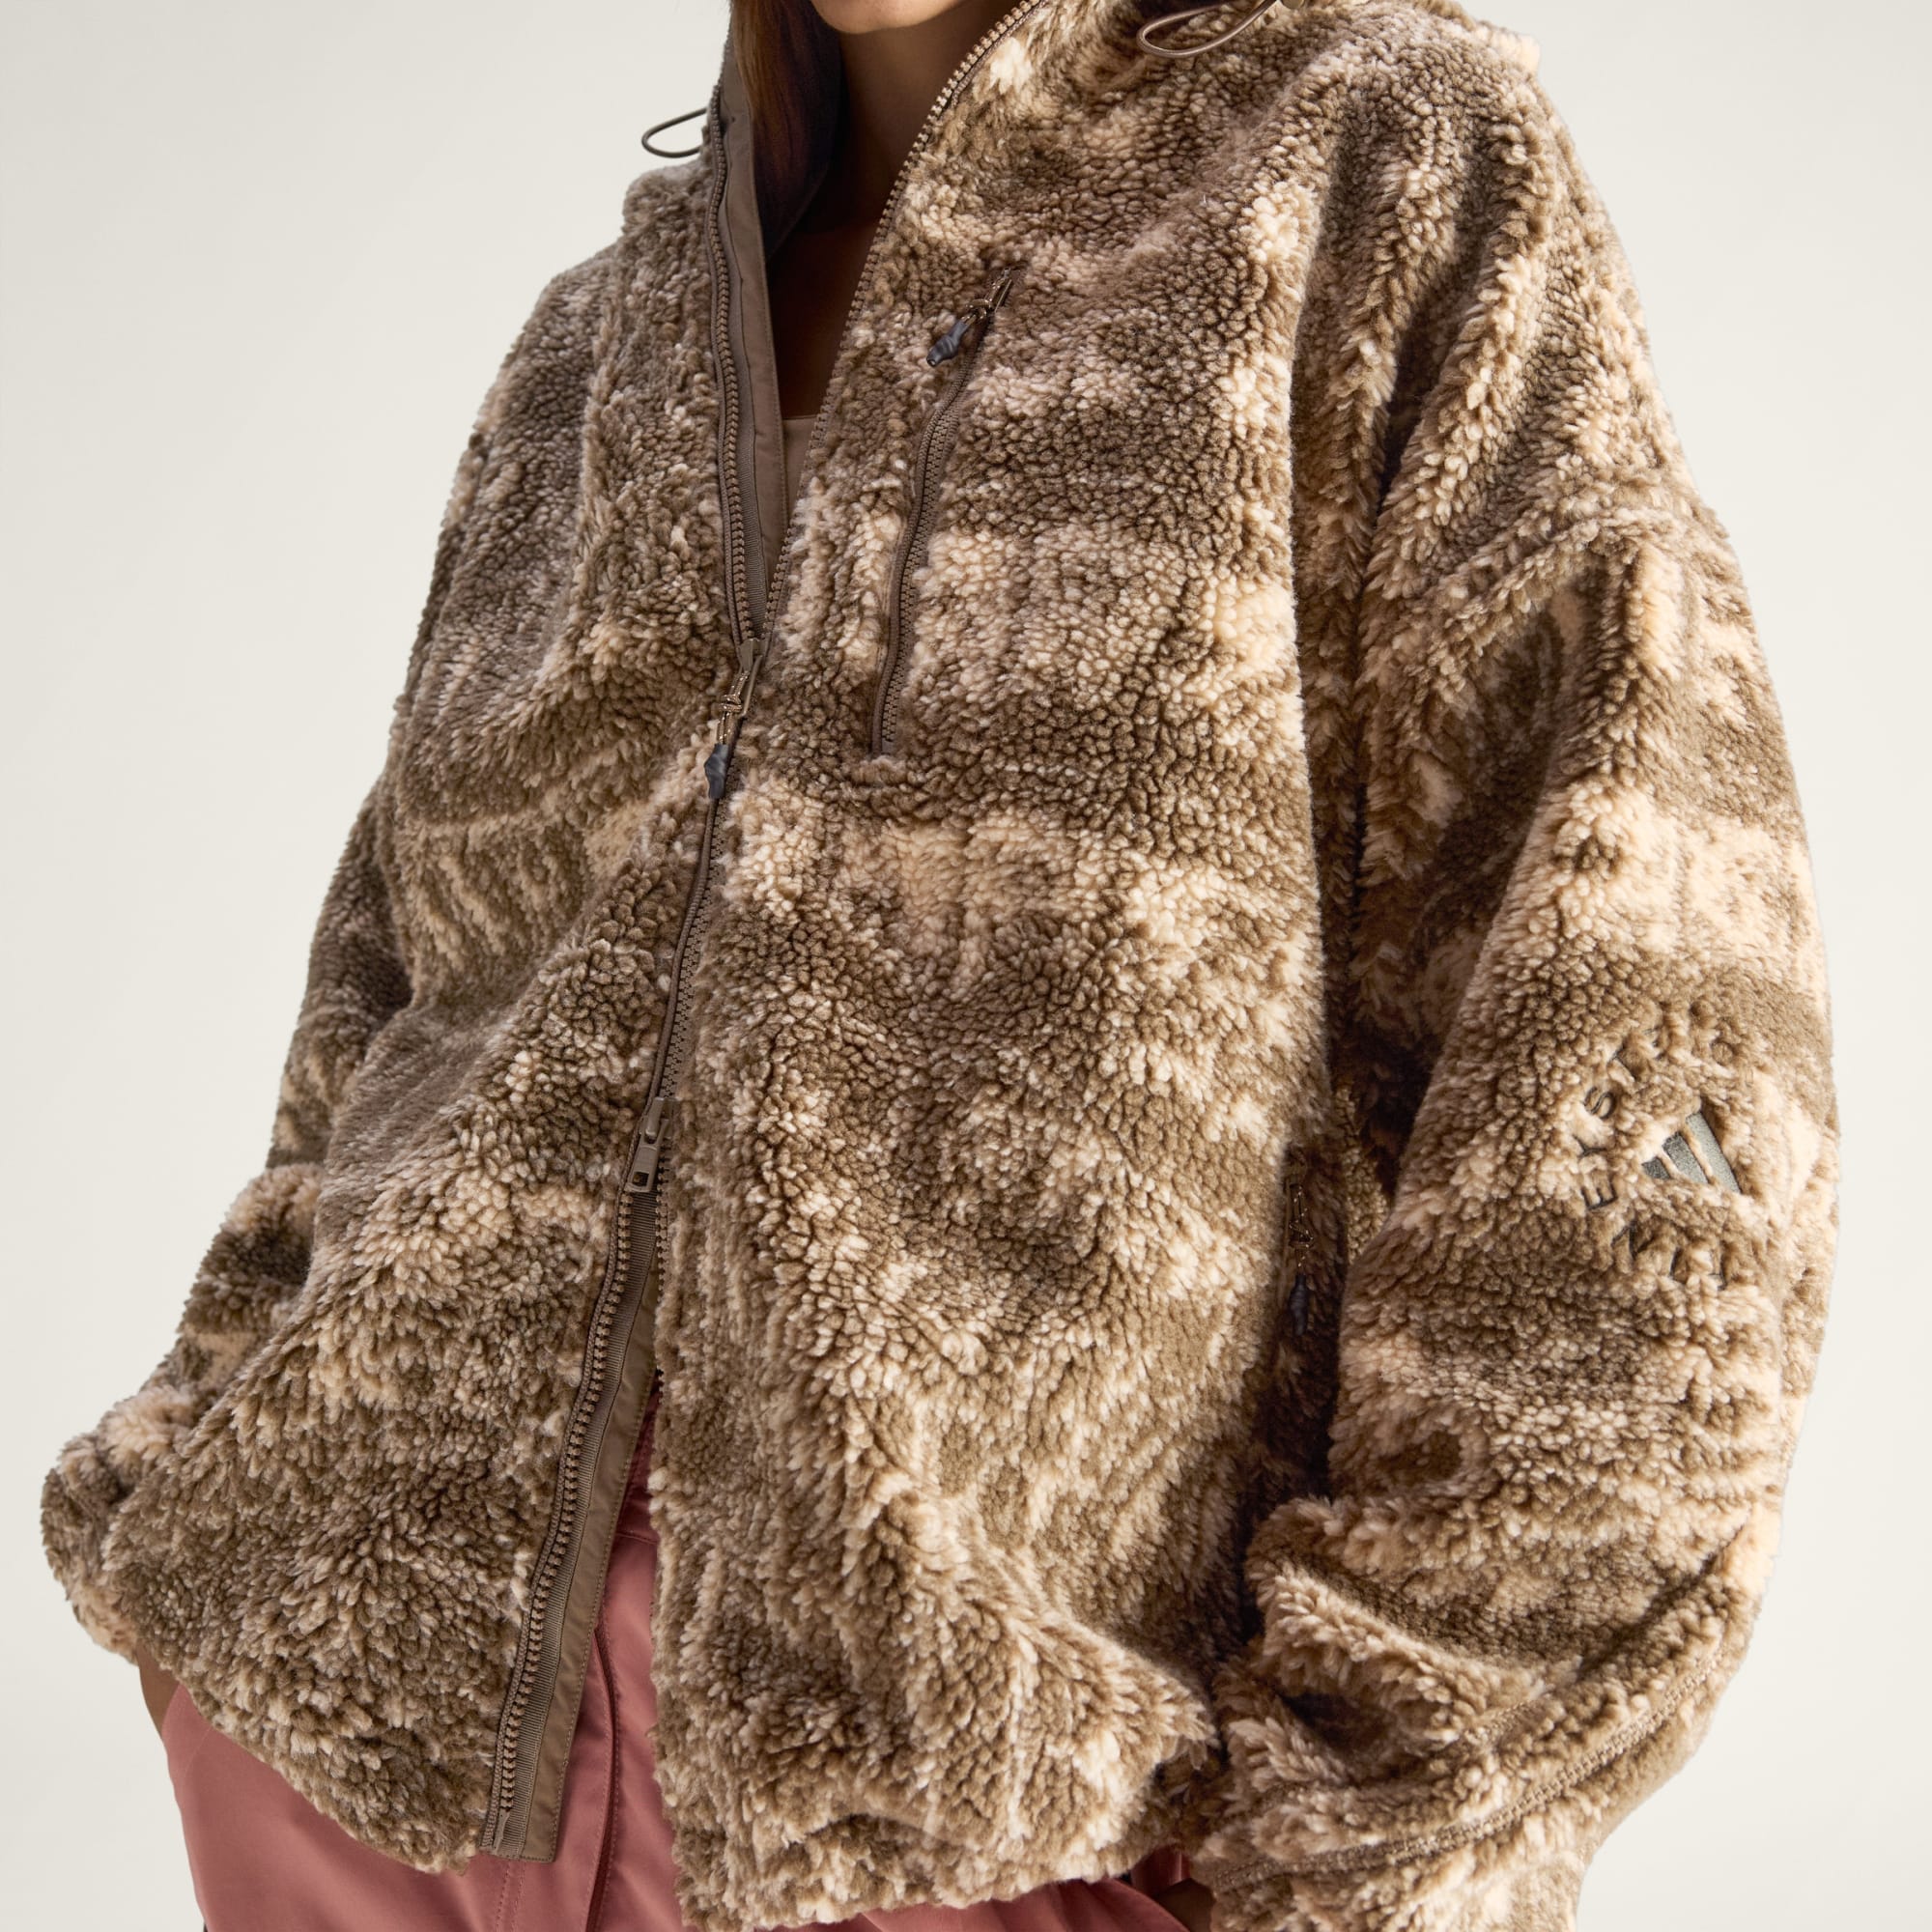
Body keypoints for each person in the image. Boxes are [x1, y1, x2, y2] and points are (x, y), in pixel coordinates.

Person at [41, 0, 1838, 1928]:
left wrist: (1391, 1814)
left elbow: (1642, 1028)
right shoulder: (596, 351)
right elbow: (384, 1000)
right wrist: (188, 1523)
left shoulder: (1367, 169)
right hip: (352, 1757)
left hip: (1005, 1817)